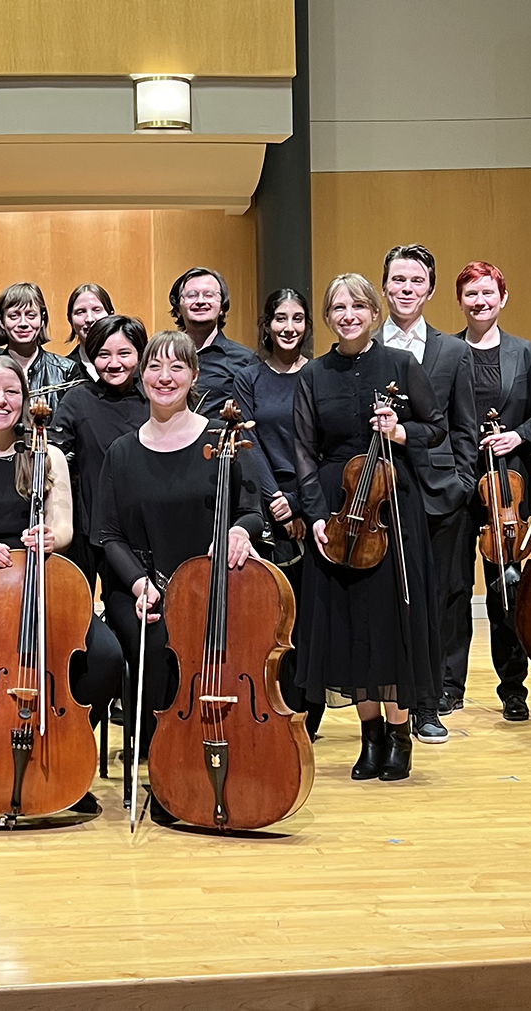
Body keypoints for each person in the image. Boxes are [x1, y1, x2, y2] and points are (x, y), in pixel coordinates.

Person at [0, 356, 122, 819]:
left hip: (41, 588)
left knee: (108, 655)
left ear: (26, 399)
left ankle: (68, 750)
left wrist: (52, 538)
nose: (1, 400)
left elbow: (65, 528)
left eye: (11, 391)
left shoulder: (45, 456)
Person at [294, 273, 445, 784]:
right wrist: (316, 515)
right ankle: (370, 735)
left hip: (391, 508)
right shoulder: (314, 375)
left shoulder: (400, 364)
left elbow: (435, 426)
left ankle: (400, 734)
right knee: (349, 624)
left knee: (391, 622)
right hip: (339, 514)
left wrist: (400, 431)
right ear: (328, 317)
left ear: (374, 313)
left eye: (358, 305)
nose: (349, 315)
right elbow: (303, 452)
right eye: (338, 307)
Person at [96, 331, 264, 777]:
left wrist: (236, 532)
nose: (164, 377)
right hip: (142, 583)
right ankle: (159, 753)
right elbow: (108, 534)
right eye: (154, 366)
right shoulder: (122, 452)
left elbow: (252, 513)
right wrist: (138, 584)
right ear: (142, 376)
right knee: (152, 641)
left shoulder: (222, 441)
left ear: (194, 377)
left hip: (211, 582)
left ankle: (223, 742)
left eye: (177, 367)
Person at [378, 244, 476, 743]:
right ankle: (395, 698)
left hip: (439, 491)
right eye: (397, 280)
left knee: (440, 599)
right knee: (395, 600)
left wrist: (462, 483)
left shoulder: (454, 352)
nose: (406, 289)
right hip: (379, 492)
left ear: (430, 290)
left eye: (416, 281)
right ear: (385, 285)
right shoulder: (367, 347)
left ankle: (433, 699)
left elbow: (465, 427)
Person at [452, 262, 531, 722]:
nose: (480, 301)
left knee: (506, 590)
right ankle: (448, 687)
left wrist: (520, 437)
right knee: (453, 588)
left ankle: (513, 689)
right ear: (460, 301)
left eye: (488, 293)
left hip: (510, 485)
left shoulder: (529, 354)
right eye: (471, 294)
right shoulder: (445, 351)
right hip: (457, 482)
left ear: (503, 297)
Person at [235, 288, 323, 738]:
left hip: (314, 500)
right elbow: (248, 444)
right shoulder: (249, 377)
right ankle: (272, 706)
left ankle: (310, 710)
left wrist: (306, 502)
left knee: (310, 614)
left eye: (298, 318)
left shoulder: (318, 374)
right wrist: (275, 500)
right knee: (272, 616)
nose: (289, 327)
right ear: (266, 324)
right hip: (267, 498)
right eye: (280, 318)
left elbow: (320, 444)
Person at [51, 315, 148, 585]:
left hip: (143, 529)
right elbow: (52, 452)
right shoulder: (78, 399)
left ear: (140, 354)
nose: (114, 364)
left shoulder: (154, 398)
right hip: (90, 528)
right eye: (103, 355)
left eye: (124, 353)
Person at [168, 266, 257, 418]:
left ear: (222, 307)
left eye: (209, 295)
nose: (200, 301)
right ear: (177, 309)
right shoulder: (165, 356)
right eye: (191, 295)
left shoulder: (245, 360)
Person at [0, 282, 86, 412]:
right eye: (14, 316)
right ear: (1, 321)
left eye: (31, 315)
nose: (23, 323)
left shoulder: (66, 371)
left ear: (42, 319)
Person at [64, 283, 114, 378]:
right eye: (81, 312)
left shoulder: (129, 366)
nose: (89, 319)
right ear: (70, 321)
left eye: (97, 310)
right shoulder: (64, 370)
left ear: (110, 316)